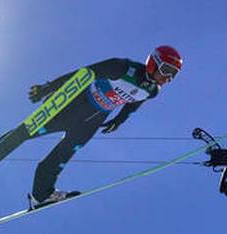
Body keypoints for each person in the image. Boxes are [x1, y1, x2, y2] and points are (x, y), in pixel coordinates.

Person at [20, 45, 183, 209]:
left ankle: (41, 196)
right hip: (75, 107)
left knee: (61, 157)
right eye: (166, 69)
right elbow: (83, 74)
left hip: (93, 120)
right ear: (153, 63)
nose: (168, 77)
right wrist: (50, 87)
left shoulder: (153, 90)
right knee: (26, 132)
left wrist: (119, 120)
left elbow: (136, 102)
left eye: (173, 74)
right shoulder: (121, 68)